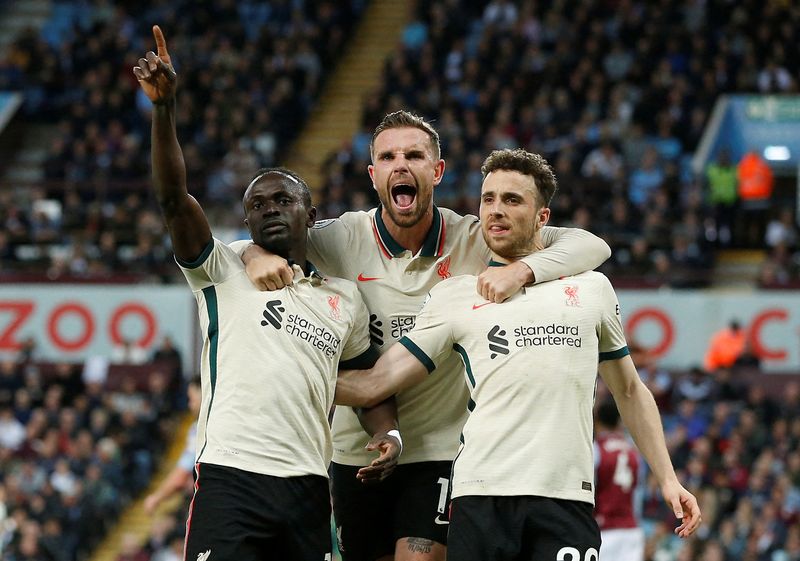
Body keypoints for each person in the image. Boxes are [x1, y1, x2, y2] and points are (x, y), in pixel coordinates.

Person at [240, 111, 611, 561]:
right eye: (388, 156)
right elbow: (270, 231)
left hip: (439, 448)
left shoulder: (473, 238)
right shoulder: (337, 238)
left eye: (414, 155)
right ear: (373, 174)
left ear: (436, 171)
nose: (402, 164)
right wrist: (253, 254)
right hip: (356, 453)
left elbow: (591, 245)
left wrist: (522, 270)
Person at [335, 148, 701, 560]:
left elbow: (630, 392)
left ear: (543, 218)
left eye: (512, 200)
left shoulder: (590, 289)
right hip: (479, 496)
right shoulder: (454, 296)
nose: (495, 210)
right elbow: (378, 382)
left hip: (564, 496)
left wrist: (669, 480)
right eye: (488, 199)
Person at [132, 26, 399, 561]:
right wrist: (165, 111)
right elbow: (172, 199)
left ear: (311, 215)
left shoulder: (344, 298)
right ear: (246, 219)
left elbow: (370, 385)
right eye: (257, 204)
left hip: (306, 485)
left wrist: (390, 435)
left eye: (283, 199)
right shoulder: (222, 267)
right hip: (231, 476)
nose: (269, 208)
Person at [594, 399, 645, 561]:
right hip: (631, 528)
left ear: (597, 421)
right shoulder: (633, 451)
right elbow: (637, 490)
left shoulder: (596, 449)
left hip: (605, 528)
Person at [143, 376, 201, 515]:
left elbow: (181, 474)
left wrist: (156, 498)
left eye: (191, 399)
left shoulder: (200, 429)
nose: (189, 405)